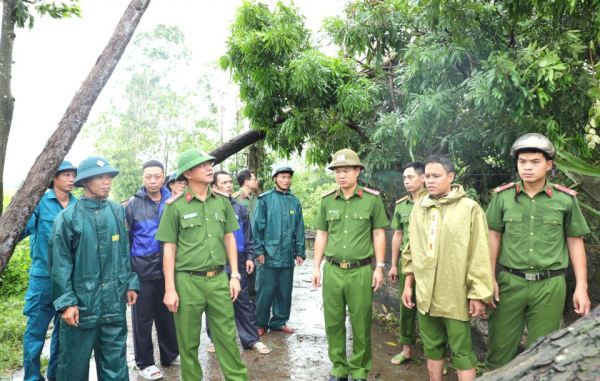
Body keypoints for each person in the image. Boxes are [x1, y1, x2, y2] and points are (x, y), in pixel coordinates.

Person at [485, 133, 591, 369]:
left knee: (541, 355)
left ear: (549, 164)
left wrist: (581, 287)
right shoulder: (503, 197)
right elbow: (493, 237)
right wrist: (489, 277)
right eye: (522, 162)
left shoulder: (565, 199)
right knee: (498, 350)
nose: (527, 167)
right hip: (509, 282)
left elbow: (575, 242)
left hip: (550, 286)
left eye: (535, 162)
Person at [155, 149, 249, 381]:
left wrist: (234, 275)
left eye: (210, 164)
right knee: (188, 342)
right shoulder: (174, 206)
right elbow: (169, 249)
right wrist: (170, 289)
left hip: (218, 279)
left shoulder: (223, 201)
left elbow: (229, 238)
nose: (210, 168)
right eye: (202, 165)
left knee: (227, 337)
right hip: (187, 281)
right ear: (187, 173)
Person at [401, 155, 493, 381]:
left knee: (462, 352)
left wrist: (478, 294)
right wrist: (408, 286)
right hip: (425, 295)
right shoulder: (418, 209)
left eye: (436, 176)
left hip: (454, 293)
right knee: (432, 348)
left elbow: (479, 252)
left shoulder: (469, 208)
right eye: (427, 176)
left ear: (450, 176)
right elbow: (412, 250)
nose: (430, 181)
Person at [48, 156, 140, 381]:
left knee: (115, 365)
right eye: (100, 177)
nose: (106, 181)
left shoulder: (117, 211)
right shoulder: (68, 217)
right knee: (73, 367)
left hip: (113, 304)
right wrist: (67, 303)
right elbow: (59, 264)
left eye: (108, 176)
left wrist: (129, 282)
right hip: (81, 306)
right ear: (85, 181)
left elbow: (123, 252)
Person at [311, 149, 389, 381]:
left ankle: (358, 369)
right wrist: (316, 267)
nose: (341, 175)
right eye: (337, 171)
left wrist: (379, 267)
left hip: (361, 271)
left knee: (361, 322)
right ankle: (339, 368)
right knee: (333, 322)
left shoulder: (372, 199)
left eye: (346, 170)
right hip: (333, 270)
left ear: (357, 171)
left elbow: (378, 234)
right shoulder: (327, 201)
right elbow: (322, 235)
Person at [19, 160, 77, 381]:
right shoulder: (39, 204)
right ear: (54, 178)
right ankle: (32, 377)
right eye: (66, 175)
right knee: (35, 332)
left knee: (64, 334)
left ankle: (55, 375)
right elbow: (18, 232)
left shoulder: (77, 206)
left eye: (74, 175)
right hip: (43, 279)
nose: (71, 179)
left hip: (69, 281)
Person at [205, 171, 270, 354]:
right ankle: (215, 340)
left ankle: (251, 340)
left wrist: (250, 256)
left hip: (238, 261)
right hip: (216, 261)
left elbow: (248, 236)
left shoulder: (239, 208)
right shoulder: (209, 207)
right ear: (214, 187)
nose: (229, 185)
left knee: (243, 301)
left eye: (230, 182)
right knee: (214, 302)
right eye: (224, 182)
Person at [125, 160, 180, 380]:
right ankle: (145, 362)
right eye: (148, 176)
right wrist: (130, 277)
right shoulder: (133, 205)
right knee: (143, 319)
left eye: (157, 176)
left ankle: (170, 354)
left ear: (164, 177)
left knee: (167, 314)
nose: (153, 181)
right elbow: (126, 243)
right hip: (142, 271)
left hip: (168, 269)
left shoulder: (172, 200)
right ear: (143, 178)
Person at [252, 166, 305, 335]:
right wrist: (258, 251)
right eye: (283, 177)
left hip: (287, 255)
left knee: (284, 291)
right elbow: (257, 227)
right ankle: (261, 323)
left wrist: (300, 252)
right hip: (268, 255)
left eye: (288, 177)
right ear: (275, 179)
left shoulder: (295, 202)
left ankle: (279, 321)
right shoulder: (265, 200)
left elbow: (299, 228)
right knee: (265, 291)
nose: (286, 180)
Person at [387, 162, 426, 365]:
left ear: (423, 178)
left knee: (433, 310)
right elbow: (397, 236)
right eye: (404, 178)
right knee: (406, 307)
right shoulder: (402, 204)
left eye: (410, 177)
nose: (406, 181)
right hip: (406, 262)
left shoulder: (434, 201)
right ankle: (406, 349)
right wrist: (394, 265)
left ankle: (436, 356)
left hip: (429, 264)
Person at [233, 169, 260, 300]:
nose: (257, 182)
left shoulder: (258, 200)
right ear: (247, 182)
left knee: (256, 283)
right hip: (241, 247)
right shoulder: (234, 199)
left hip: (257, 246)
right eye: (255, 179)